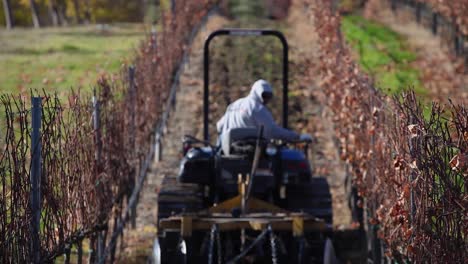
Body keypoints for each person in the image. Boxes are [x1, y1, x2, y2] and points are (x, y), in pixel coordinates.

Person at [216, 79, 311, 142]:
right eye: (264, 95)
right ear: (257, 92)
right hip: (250, 155)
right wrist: (296, 137)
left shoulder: (234, 105)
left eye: (269, 97)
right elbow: (272, 130)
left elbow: (219, 126)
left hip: (227, 153)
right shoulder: (257, 108)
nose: (266, 100)